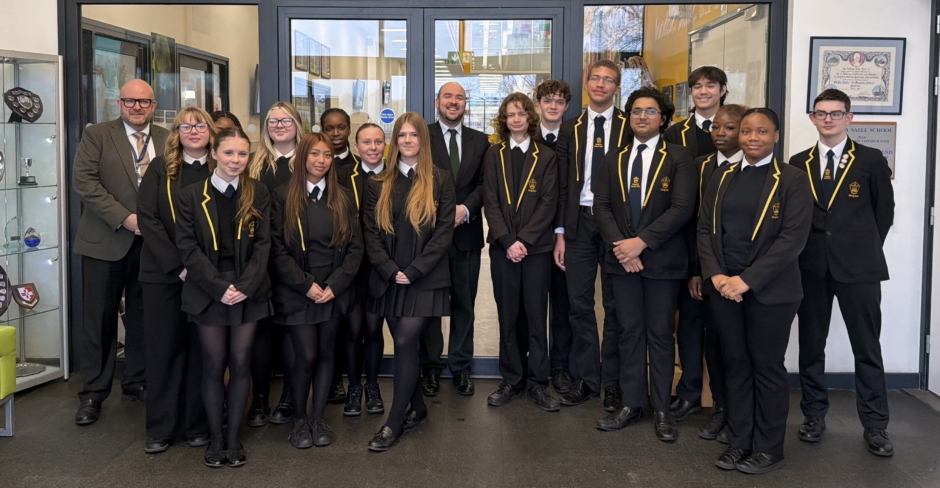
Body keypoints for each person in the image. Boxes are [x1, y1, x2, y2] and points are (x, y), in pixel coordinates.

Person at [698, 108, 812, 474]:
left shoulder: (793, 179)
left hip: (770, 291)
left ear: (776, 136)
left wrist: (745, 280)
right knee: (735, 365)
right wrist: (717, 276)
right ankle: (740, 441)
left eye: (762, 131)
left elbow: (792, 239)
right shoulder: (722, 176)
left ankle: (768, 447)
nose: (752, 138)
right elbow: (705, 230)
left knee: (766, 367)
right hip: (724, 289)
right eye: (746, 131)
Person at [792, 88, 895, 457]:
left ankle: (875, 425)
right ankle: (813, 416)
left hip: (859, 268)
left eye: (836, 113)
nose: (829, 119)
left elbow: (884, 214)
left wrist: (860, 248)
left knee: (866, 348)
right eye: (821, 113)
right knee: (811, 346)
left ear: (849, 118)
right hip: (811, 268)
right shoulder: (798, 162)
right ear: (812, 118)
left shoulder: (870, 159)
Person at [593, 87, 695, 441]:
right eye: (636, 111)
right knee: (629, 332)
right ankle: (632, 403)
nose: (642, 116)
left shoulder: (679, 156)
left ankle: (662, 408)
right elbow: (601, 206)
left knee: (661, 334)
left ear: (662, 118)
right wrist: (623, 248)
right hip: (622, 262)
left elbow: (682, 208)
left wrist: (641, 243)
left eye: (650, 111)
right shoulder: (614, 157)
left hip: (662, 262)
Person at [72, 79, 166, 425]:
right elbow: (85, 182)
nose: (137, 107)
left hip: (152, 246)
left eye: (144, 102)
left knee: (143, 317)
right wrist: (125, 218)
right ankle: (93, 393)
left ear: (154, 106)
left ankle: (136, 382)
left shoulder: (167, 138)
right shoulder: (97, 135)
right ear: (119, 103)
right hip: (105, 240)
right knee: (99, 320)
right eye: (130, 101)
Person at [176, 126, 272, 467]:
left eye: (242, 154)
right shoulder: (190, 195)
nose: (235, 160)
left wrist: (245, 286)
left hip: (249, 288)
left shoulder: (257, 192)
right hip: (208, 290)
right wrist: (219, 287)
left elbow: (264, 244)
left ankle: (234, 439)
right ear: (214, 154)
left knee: (242, 362)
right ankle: (216, 440)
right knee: (214, 365)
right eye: (229, 153)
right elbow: (187, 248)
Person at [364, 113, 456, 451]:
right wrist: (390, 270)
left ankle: (393, 423)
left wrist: (415, 270)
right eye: (401, 135)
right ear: (395, 141)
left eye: (413, 135)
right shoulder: (378, 183)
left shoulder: (441, 180)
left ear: (423, 141)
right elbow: (370, 234)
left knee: (404, 341)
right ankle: (417, 407)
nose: (407, 140)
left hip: (425, 278)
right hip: (388, 278)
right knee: (406, 347)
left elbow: (443, 233)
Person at [270, 132, 363, 449]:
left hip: (332, 290)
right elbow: (276, 250)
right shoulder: (282, 196)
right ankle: (299, 420)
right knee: (306, 356)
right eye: (314, 154)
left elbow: (356, 248)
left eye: (327, 155)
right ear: (302, 158)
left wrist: (335, 285)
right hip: (298, 291)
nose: (321, 160)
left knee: (326, 354)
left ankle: (318, 417)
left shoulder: (343, 197)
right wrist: (305, 285)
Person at [137, 107, 214, 453]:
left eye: (200, 125)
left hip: (207, 277)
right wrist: (178, 265)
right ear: (176, 132)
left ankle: (197, 424)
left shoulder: (219, 168)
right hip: (164, 275)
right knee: (164, 350)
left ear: (211, 132)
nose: (193, 131)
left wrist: (200, 269)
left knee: (202, 353)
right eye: (186, 126)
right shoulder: (160, 168)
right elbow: (148, 218)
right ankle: (161, 427)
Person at [554, 60, 630, 411]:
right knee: (580, 305)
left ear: (617, 87)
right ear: (586, 84)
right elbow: (561, 186)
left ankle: (612, 383)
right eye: (595, 78)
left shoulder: (630, 126)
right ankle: (587, 378)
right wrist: (560, 233)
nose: (601, 84)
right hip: (580, 223)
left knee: (615, 306)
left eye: (608, 80)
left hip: (617, 224)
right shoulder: (569, 129)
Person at [483, 93, 559, 412]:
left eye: (521, 113)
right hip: (503, 249)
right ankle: (512, 379)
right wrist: (507, 240)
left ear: (530, 117)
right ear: (504, 120)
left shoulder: (547, 156)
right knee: (508, 314)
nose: (516, 119)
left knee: (536, 315)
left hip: (536, 250)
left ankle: (538, 382)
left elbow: (548, 203)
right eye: (510, 114)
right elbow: (491, 201)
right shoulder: (493, 154)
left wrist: (524, 241)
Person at [663, 66, 729, 421]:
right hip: (686, 242)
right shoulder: (676, 133)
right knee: (688, 325)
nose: (703, 91)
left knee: (723, 330)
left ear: (723, 90)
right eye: (697, 86)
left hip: (729, 251)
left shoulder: (739, 127)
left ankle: (724, 400)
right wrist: (692, 264)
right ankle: (688, 392)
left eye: (710, 85)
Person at [421, 81, 489, 397]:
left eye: (459, 97)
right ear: (438, 102)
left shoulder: (482, 141)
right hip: (430, 236)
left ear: (465, 104)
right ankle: (430, 368)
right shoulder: (423, 137)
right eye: (447, 96)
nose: (453, 101)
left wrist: (466, 208)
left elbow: (486, 184)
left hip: (467, 235)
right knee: (431, 308)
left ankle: (460, 367)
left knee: (464, 305)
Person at [246, 102, 306, 427]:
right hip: (260, 259)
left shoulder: (308, 161)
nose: (279, 125)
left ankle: (289, 398)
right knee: (261, 335)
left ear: (297, 124)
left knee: (292, 335)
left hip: (296, 259)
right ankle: (259, 399)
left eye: (285, 120)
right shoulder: (254, 163)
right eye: (272, 121)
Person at [690, 104, 748, 444]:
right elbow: (695, 223)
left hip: (745, 275)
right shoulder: (701, 166)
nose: (720, 133)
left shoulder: (755, 168)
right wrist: (698, 270)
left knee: (739, 349)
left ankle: (741, 415)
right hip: (710, 271)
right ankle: (720, 409)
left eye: (729, 127)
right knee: (713, 343)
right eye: (715, 127)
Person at [337, 123, 389, 416]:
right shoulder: (342, 176)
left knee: (373, 328)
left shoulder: (394, 175)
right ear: (356, 147)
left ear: (385, 145)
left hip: (381, 266)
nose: (372, 147)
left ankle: (373, 386)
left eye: (378, 142)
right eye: (366, 142)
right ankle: (354, 387)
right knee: (353, 329)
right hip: (351, 266)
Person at [534, 79, 574, 395]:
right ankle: (534, 365)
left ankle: (560, 367)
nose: (553, 106)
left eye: (559, 101)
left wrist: (561, 231)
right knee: (532, 306)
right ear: (538, 104)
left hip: (564, 232)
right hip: (532, 235)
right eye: (547, 100)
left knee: (562, 305)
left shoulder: (574, 138)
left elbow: (570, 190)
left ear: (566, 107)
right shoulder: (525, 137)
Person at [321, 108, 356, 402]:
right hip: (324, 259)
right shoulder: (314, 165)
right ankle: (331, 381)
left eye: (341, 127)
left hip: (352, 259)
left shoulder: (359, 165)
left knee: (350, 327)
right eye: (329, 128)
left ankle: (347, 378)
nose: (335, 133)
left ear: (348, 130)